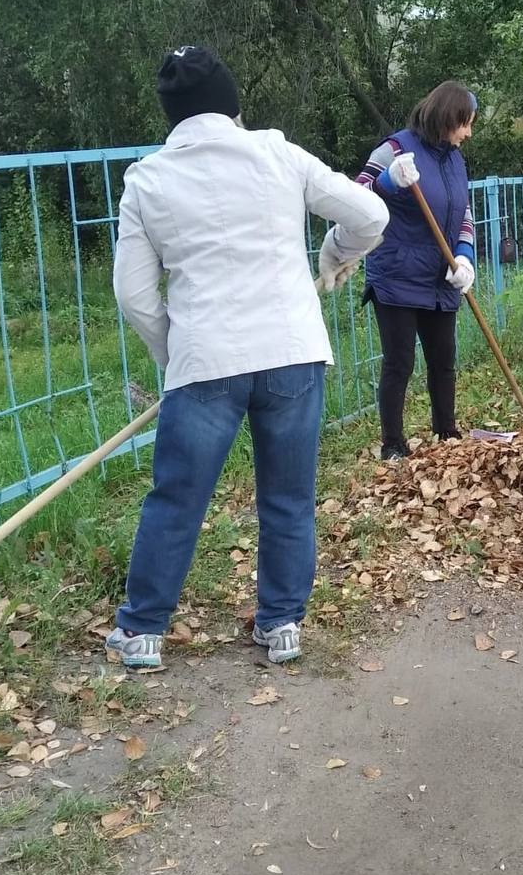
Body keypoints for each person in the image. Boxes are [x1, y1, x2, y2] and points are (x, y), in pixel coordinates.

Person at [107, 46, 389, 670]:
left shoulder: (147, 179)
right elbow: (371, 214)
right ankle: (282, 624)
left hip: (205, 359)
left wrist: (174, 354)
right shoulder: (277, 154)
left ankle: (143, 632)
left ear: (172, 114)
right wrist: (335, 253)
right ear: (233, 106)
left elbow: (132, 294)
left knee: (177, 499)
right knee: (288, 497)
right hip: (292, 352)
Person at [354, 81, 479, 460]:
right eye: (465, 123)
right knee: (400, 362)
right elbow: (356, 197)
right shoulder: (394, 149)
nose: (468, 132)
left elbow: (464, 212)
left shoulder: (455, 159)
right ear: (447, 117)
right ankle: (392, 444)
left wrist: (464, 254)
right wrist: (389, 181)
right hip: (397, 275)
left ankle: (447, 434)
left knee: (443, 361)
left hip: (440, 277)